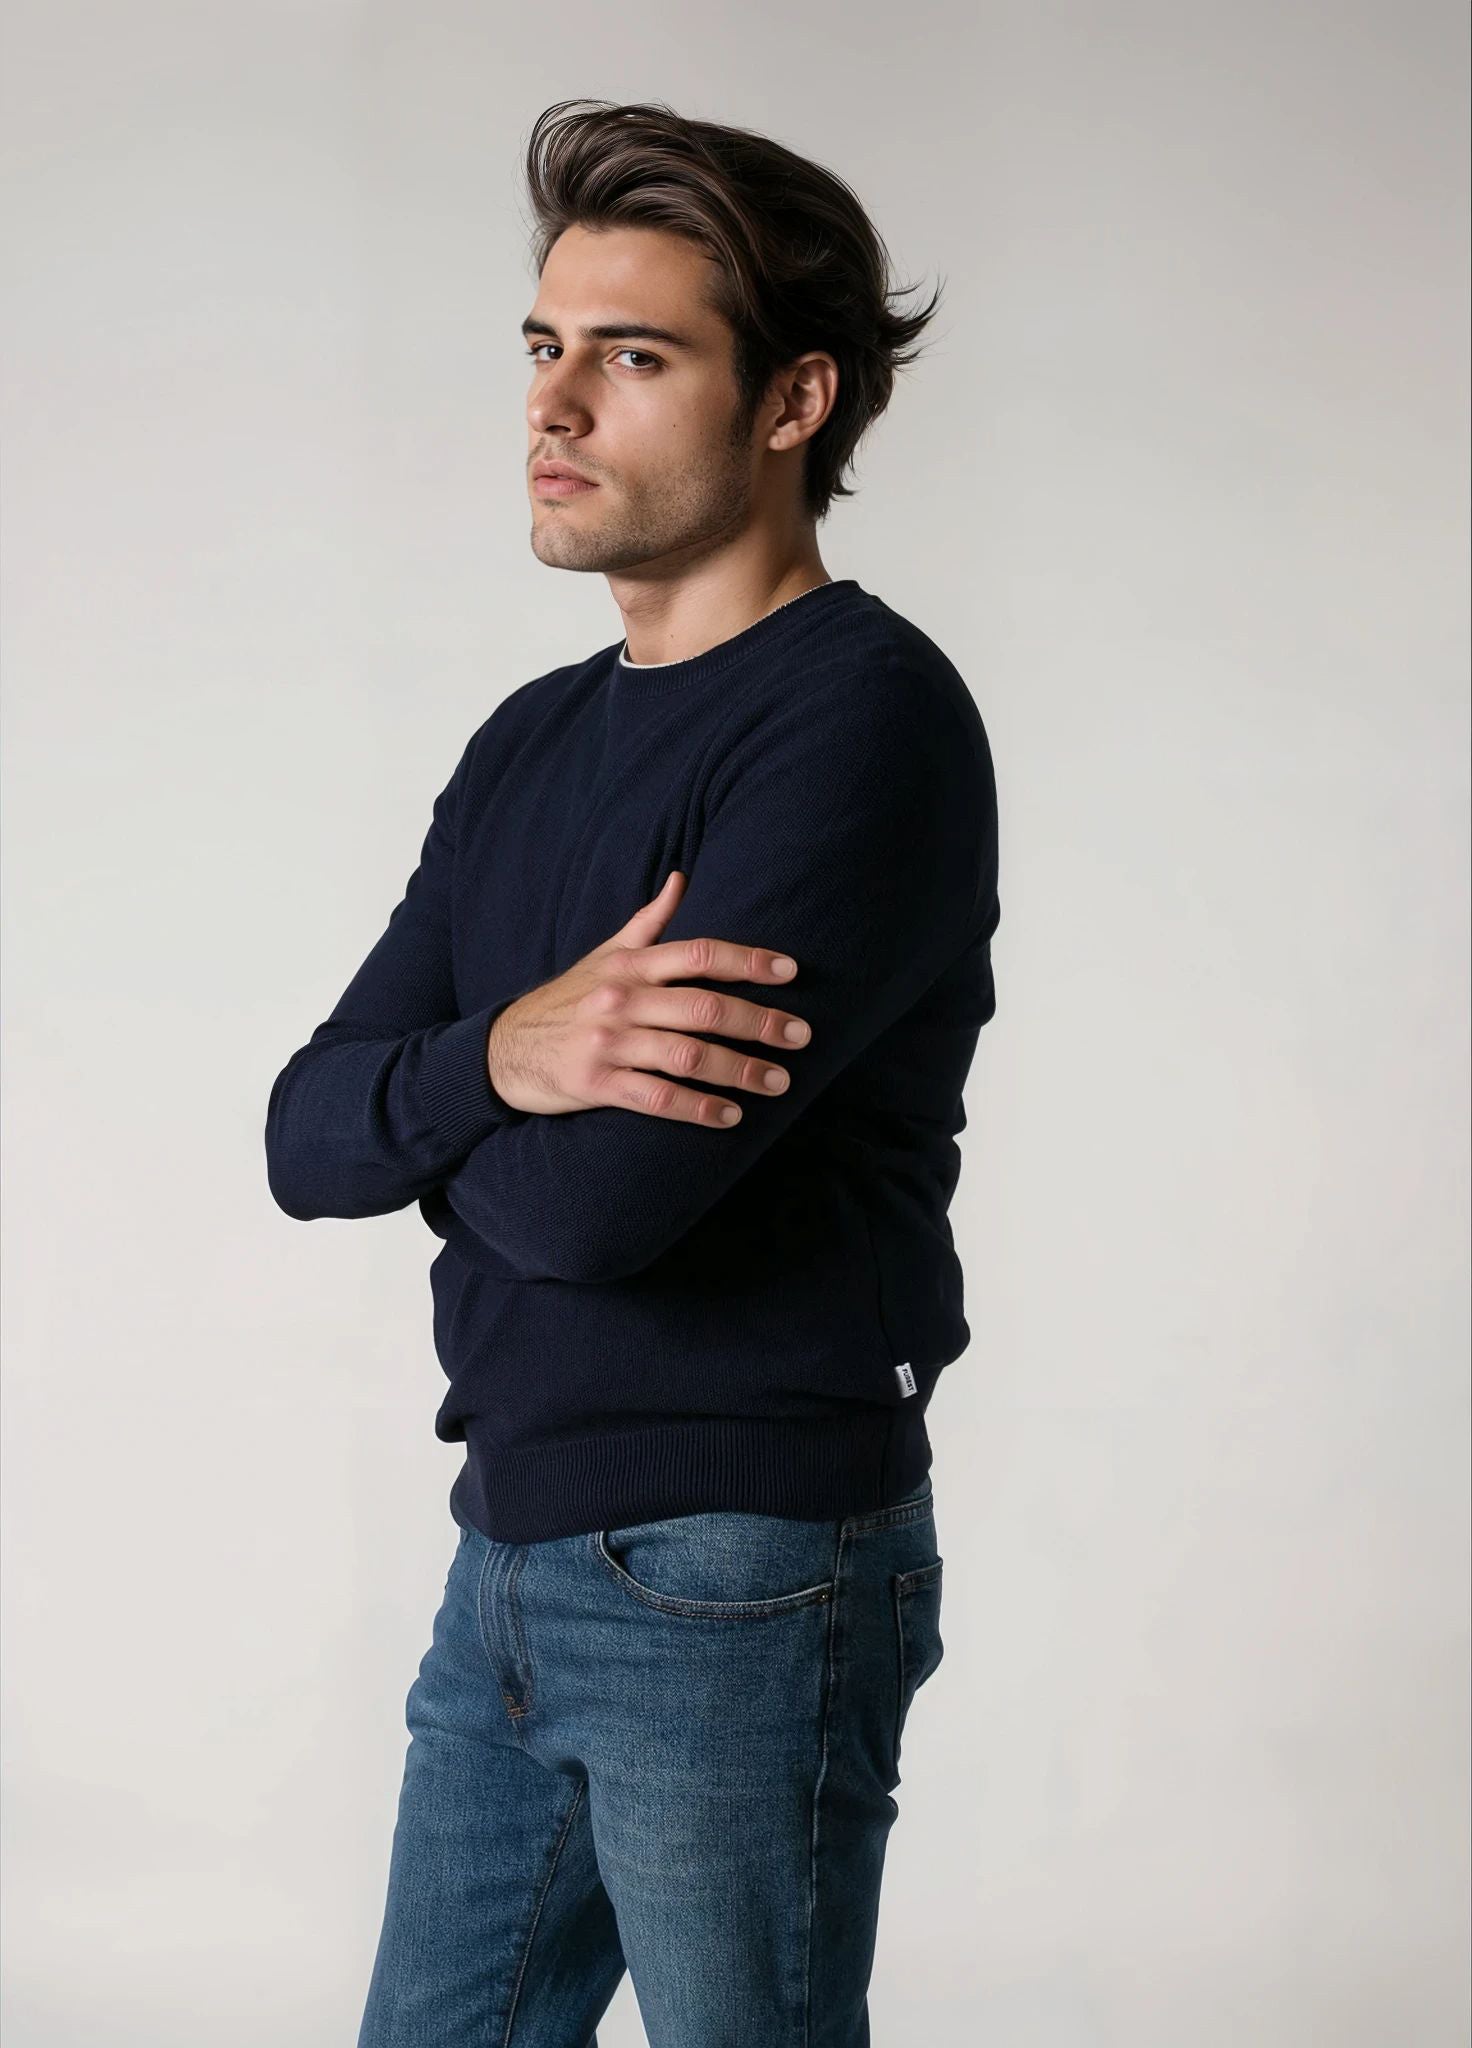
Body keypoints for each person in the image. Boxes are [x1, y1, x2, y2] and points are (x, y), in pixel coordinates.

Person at [265, 95, 1001, 2048]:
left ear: (792, 401)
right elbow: (300, 1131)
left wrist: (439, 1106)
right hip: (507, 1545)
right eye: (544, 344)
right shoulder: (531, 739)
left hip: (741, 1567)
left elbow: (597, 1208)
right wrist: (509, 1053)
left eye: (637, 355)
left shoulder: (859, 722)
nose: (556, 401)